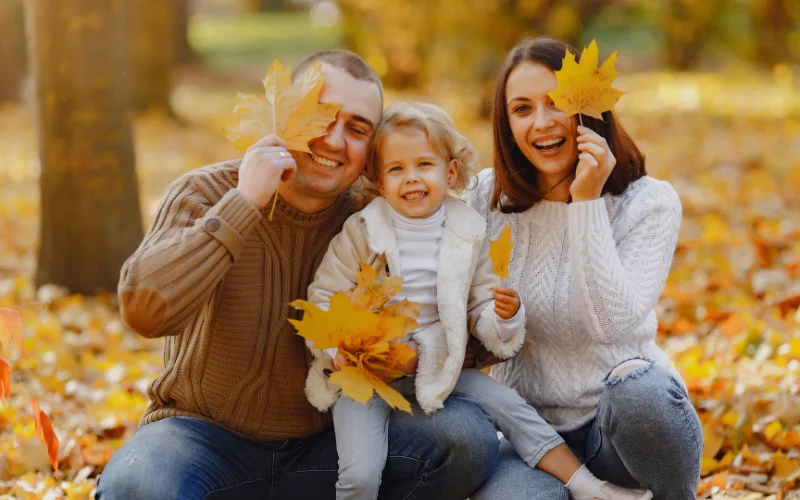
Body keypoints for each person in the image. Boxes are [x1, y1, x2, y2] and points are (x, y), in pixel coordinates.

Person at [95, 50, 500, 500]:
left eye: (358, 129)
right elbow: (144, 310)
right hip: (200, 439)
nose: (334, 139)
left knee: (465, 440)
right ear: (286, 113)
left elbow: (473, 329)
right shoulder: (206, 193)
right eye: (320, 116)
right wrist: (244, 203)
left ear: (371, 152)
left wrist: (413, 357)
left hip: (332, 444)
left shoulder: (379, 220)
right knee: (138, 485)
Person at [304, 101, 652, 500]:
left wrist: (503, 316)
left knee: (512, 407)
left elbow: (479, 305)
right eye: (396, 169)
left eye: (424, 165)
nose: (411, 179)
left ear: (450, 171)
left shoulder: (465, 229)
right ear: (379, 182)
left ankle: (588, 486)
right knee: (360, 473)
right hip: (365, 371)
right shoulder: (363, 231)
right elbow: (324, 297)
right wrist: (336, 350)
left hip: (438, 362)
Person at [465, 37, 704, 500]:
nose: (542, 122)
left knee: (642, 393)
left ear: (588, 106)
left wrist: (586, 202)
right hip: (533, 439)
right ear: (506, 124)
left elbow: (610, 325)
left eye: (556, 102)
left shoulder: (647, 203)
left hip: (623, 431)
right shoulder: (485, 199)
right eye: (521, 109)